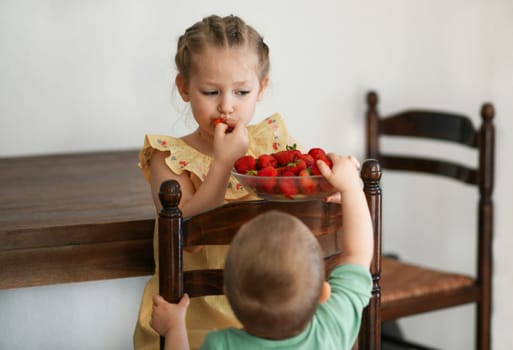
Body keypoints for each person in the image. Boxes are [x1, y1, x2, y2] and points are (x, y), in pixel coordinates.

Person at [134, 14, 295, 350]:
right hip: (190, 324)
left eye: (242, 91)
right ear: (184, 88)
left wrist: (334, 192)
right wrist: (223, 162)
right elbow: (186, 235)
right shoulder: (169, 157)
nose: (226, 106)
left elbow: (300, 201)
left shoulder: (271, 146)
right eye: (210, 91)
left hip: (264, 319)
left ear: (262, 89)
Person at [150, 154, 374, 349]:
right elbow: (358, 254)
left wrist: (174, 328)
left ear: (228, 292)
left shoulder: (222, 345)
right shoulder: (331, 327)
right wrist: (351, 188)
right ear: (323, 293)